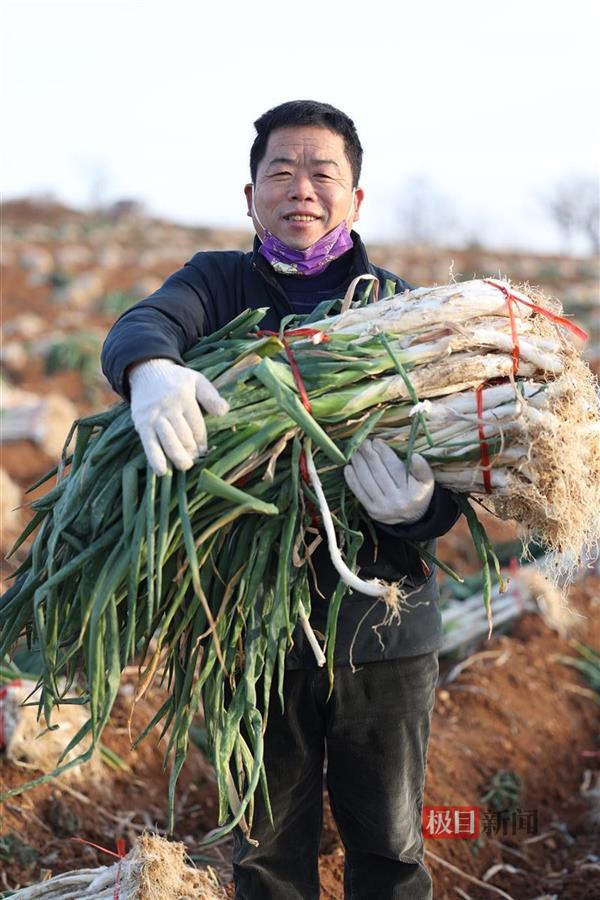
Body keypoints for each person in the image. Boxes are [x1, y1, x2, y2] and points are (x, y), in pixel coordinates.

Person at [101, 100, 461, 900]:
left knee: (394, 850)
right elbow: (144, 323)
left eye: (323, 172)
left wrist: (418, 509)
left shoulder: (402, 312)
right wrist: (149, 369)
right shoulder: (218, 284)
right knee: (265, 858)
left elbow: (454, 493)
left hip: (383, 624)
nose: (302, 188)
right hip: (250, 629)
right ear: (251, 195)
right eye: (282, 172)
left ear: (355, 199)